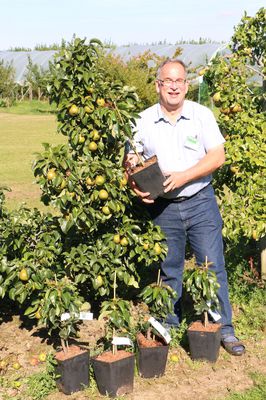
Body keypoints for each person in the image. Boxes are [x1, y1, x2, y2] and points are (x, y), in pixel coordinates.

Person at [124, 59, 245, 356]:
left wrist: (184, 176)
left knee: (212, 266)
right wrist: (135, 185)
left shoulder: (201, 115)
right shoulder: (142, 121)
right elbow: (131, 163)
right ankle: (167, 326)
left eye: (179, 81)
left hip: (200, 201)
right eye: (168, 81)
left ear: (187, 85)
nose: (174, 86)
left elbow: (218, 156)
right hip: (163, 209)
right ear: (158, 85)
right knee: (169, 270)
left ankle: (224, 330)